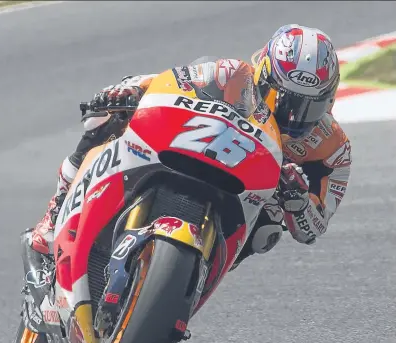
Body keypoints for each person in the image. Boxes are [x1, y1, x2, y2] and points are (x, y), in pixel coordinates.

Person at [30, 24, 351, 270]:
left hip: (252, 195)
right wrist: (128, 90)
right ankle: (55, 211)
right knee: (107, 120)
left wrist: (297, 200)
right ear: (264, 77)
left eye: (308, 108)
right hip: (198, 149)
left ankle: (192, 276)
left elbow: (314, 228)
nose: (292, 118)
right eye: (282, 101)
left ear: (329, 101)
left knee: (268, 232)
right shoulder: (234, 76)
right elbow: (172, 82)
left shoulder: (333, 149)